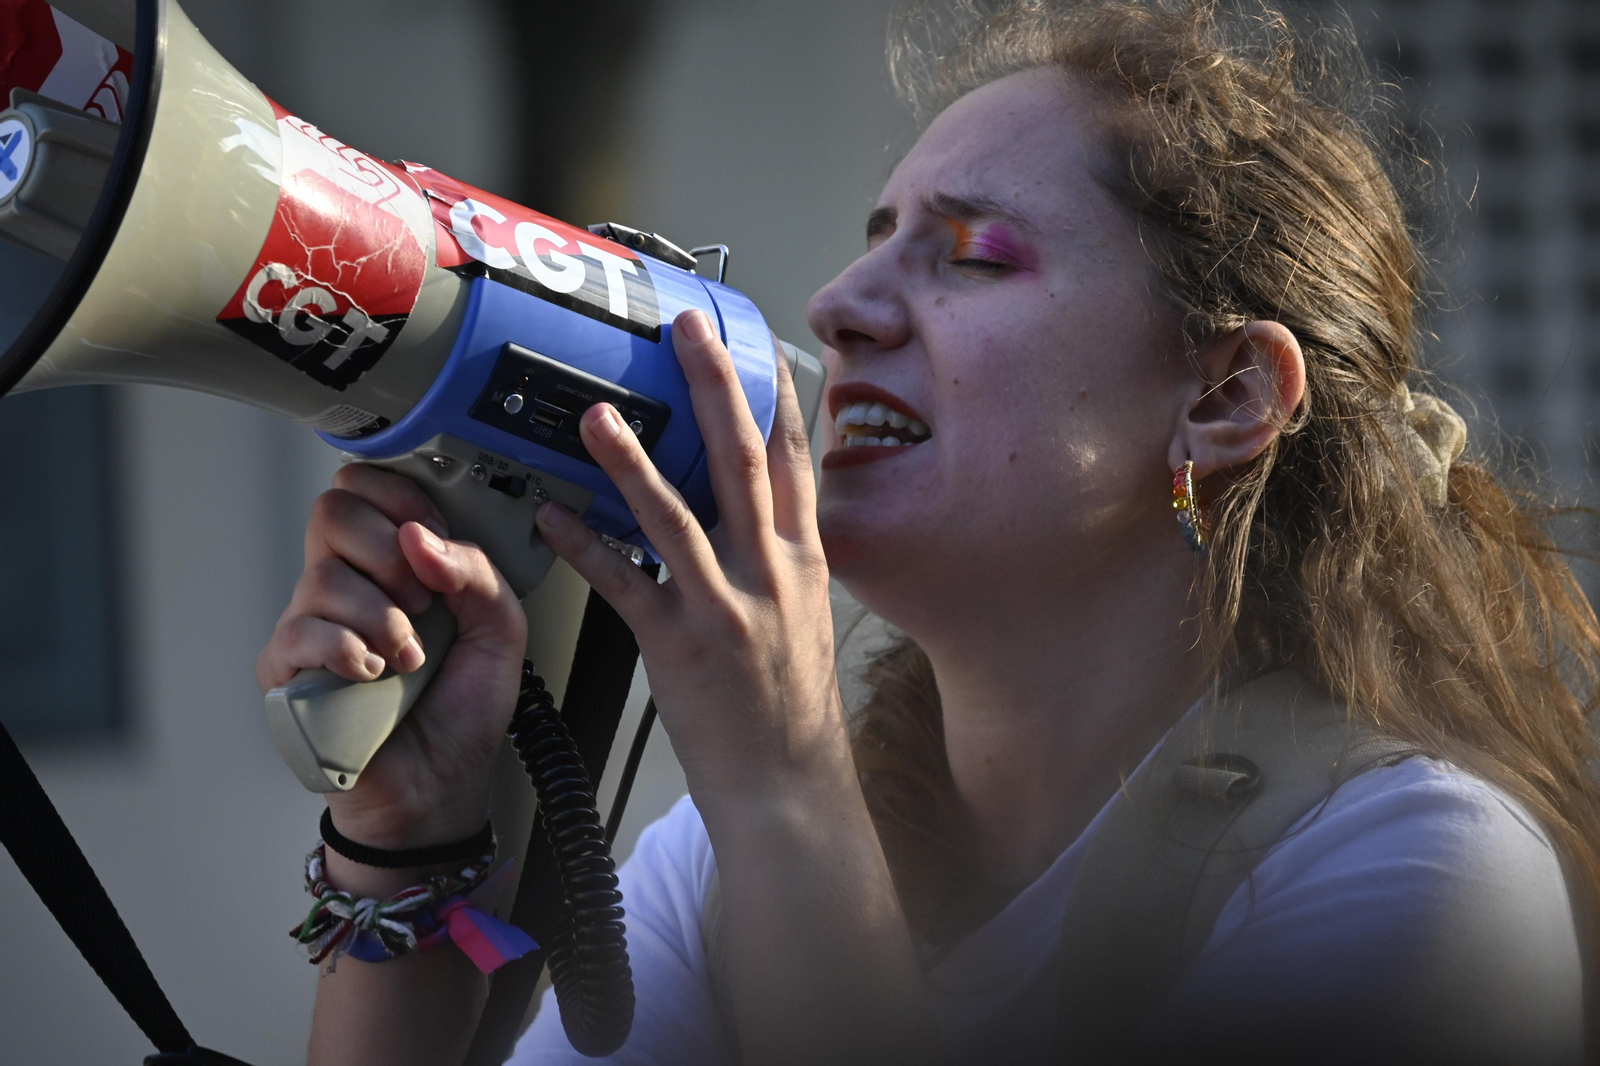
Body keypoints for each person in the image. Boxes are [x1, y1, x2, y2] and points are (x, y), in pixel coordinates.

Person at [255, 2, 1598, 1063]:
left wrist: (784, 781)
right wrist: (408, 856)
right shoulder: (720, 871)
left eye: (970, 253)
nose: (839, 305)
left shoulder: (1423, 872)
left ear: (1227, 395)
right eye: (875, 240)